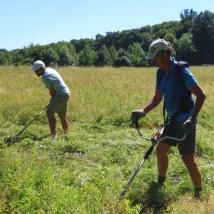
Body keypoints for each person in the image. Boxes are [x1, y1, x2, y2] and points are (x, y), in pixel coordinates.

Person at [131, 39, 206, 198]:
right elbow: (157, 98)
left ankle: (199, 194)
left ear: (165, 54)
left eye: (156, 57)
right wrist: (143, 111)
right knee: (160, 150)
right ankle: (161, 183)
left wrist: (192, 119)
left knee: (187, 159)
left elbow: (200, 95)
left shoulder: (181, 71)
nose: (154, 61)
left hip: (186, 120)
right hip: (172, 121)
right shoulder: (160, 73)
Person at [32, 60, 70, 140]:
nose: (36, 73)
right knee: (62, 115)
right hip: (66, 93)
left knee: (49, 112)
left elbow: (52, 91)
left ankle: (53, 136)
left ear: (42, 69)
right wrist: (53, 99)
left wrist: (52, 99)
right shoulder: (49, 69)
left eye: (36, 71)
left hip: (60, 95)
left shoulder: (45, 77)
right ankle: (66, 133)